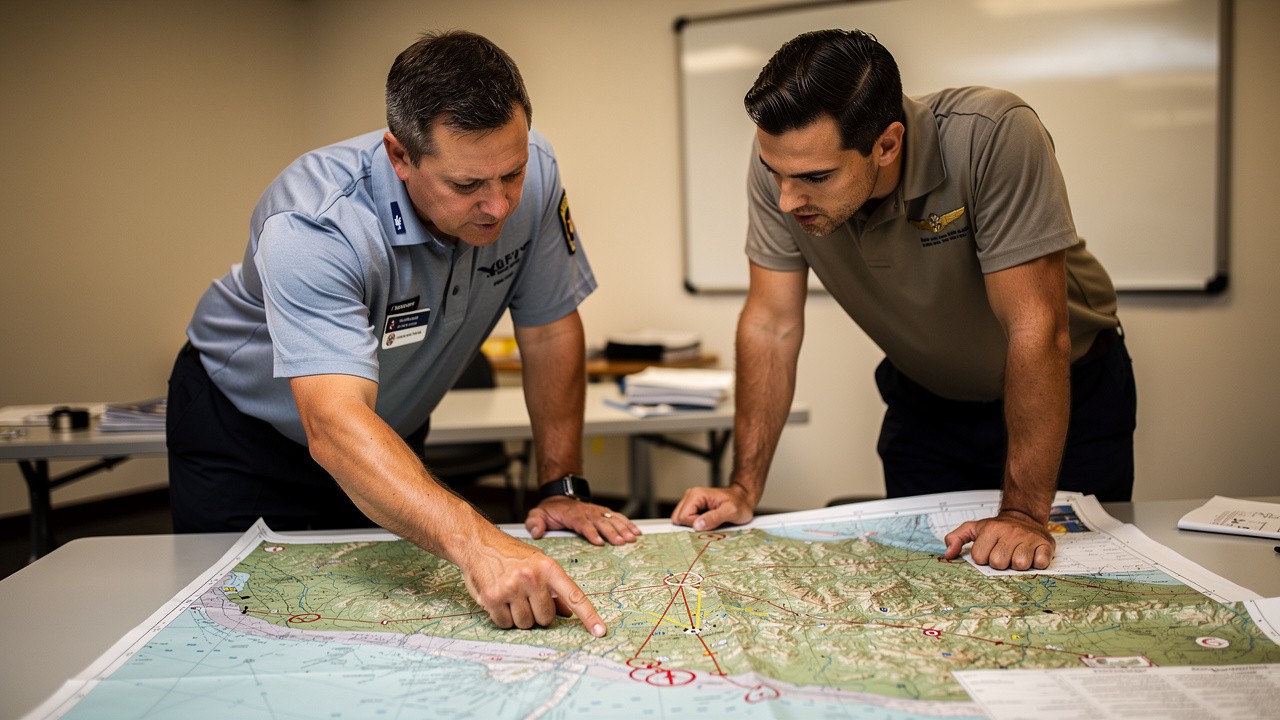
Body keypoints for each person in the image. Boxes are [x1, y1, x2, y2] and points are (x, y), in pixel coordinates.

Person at [166, 30, 641, 636]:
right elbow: (335, 427)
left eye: (511, 175)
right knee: (239, 630)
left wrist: (562, 487)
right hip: (245, 435)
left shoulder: (538, 174)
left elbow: (548, 331)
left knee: (383, 631)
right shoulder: (315, 223)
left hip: (384, 435)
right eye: (467, 186)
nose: (498, 206)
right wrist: (481, 543)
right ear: (400, 157)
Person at [671, 29, 1137, 572]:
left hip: (1066, 398)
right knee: (926, 597)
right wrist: (743, 487)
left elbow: (1035, 329)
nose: (787, 198)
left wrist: (1024, 515)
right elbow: (771, 324)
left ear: (887, 144)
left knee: (1070, 599)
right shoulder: (784, 166)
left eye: (815, 177)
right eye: (777, 173)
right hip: (927, 409)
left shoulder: (993, 136)